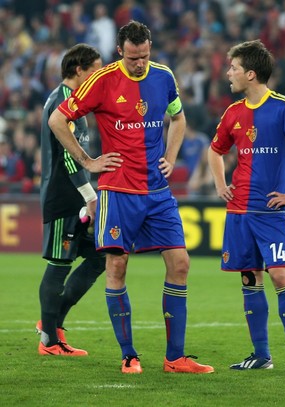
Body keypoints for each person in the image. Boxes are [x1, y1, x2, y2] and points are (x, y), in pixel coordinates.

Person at [47, 20, 214, 375]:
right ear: (120, 51)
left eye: (145, 56)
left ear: (150, 48)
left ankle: (176, 358)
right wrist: (89, 161)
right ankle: (128, 355)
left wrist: (170, 155)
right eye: (134, 57)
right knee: (117, 266)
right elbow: (58, 121)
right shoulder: (101, 81)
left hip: (157, 191)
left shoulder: (164, 77)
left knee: (181, 263)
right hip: (118, 191)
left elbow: (179, 119)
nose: (140, 63)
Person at [207, 39, 285, 373]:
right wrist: (219, 183)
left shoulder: (284, 108)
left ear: (252, 74)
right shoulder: (232, 113)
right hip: (239, 210)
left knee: (281, 275)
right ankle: (261, 354)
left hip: (270, 212)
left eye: (234, 68)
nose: (229, 73)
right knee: (249, 278)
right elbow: (215, 151)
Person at [36, 44, 105, 357]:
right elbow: (67, 156)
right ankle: (49, 341)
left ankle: (52, 323)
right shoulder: (63, 102)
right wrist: (90, 195)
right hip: (64, 198)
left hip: (76, 196)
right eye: (96, 69)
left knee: (100, 256)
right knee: (59, 264)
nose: (100, 74)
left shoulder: (76, 102)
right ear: (79, 70)